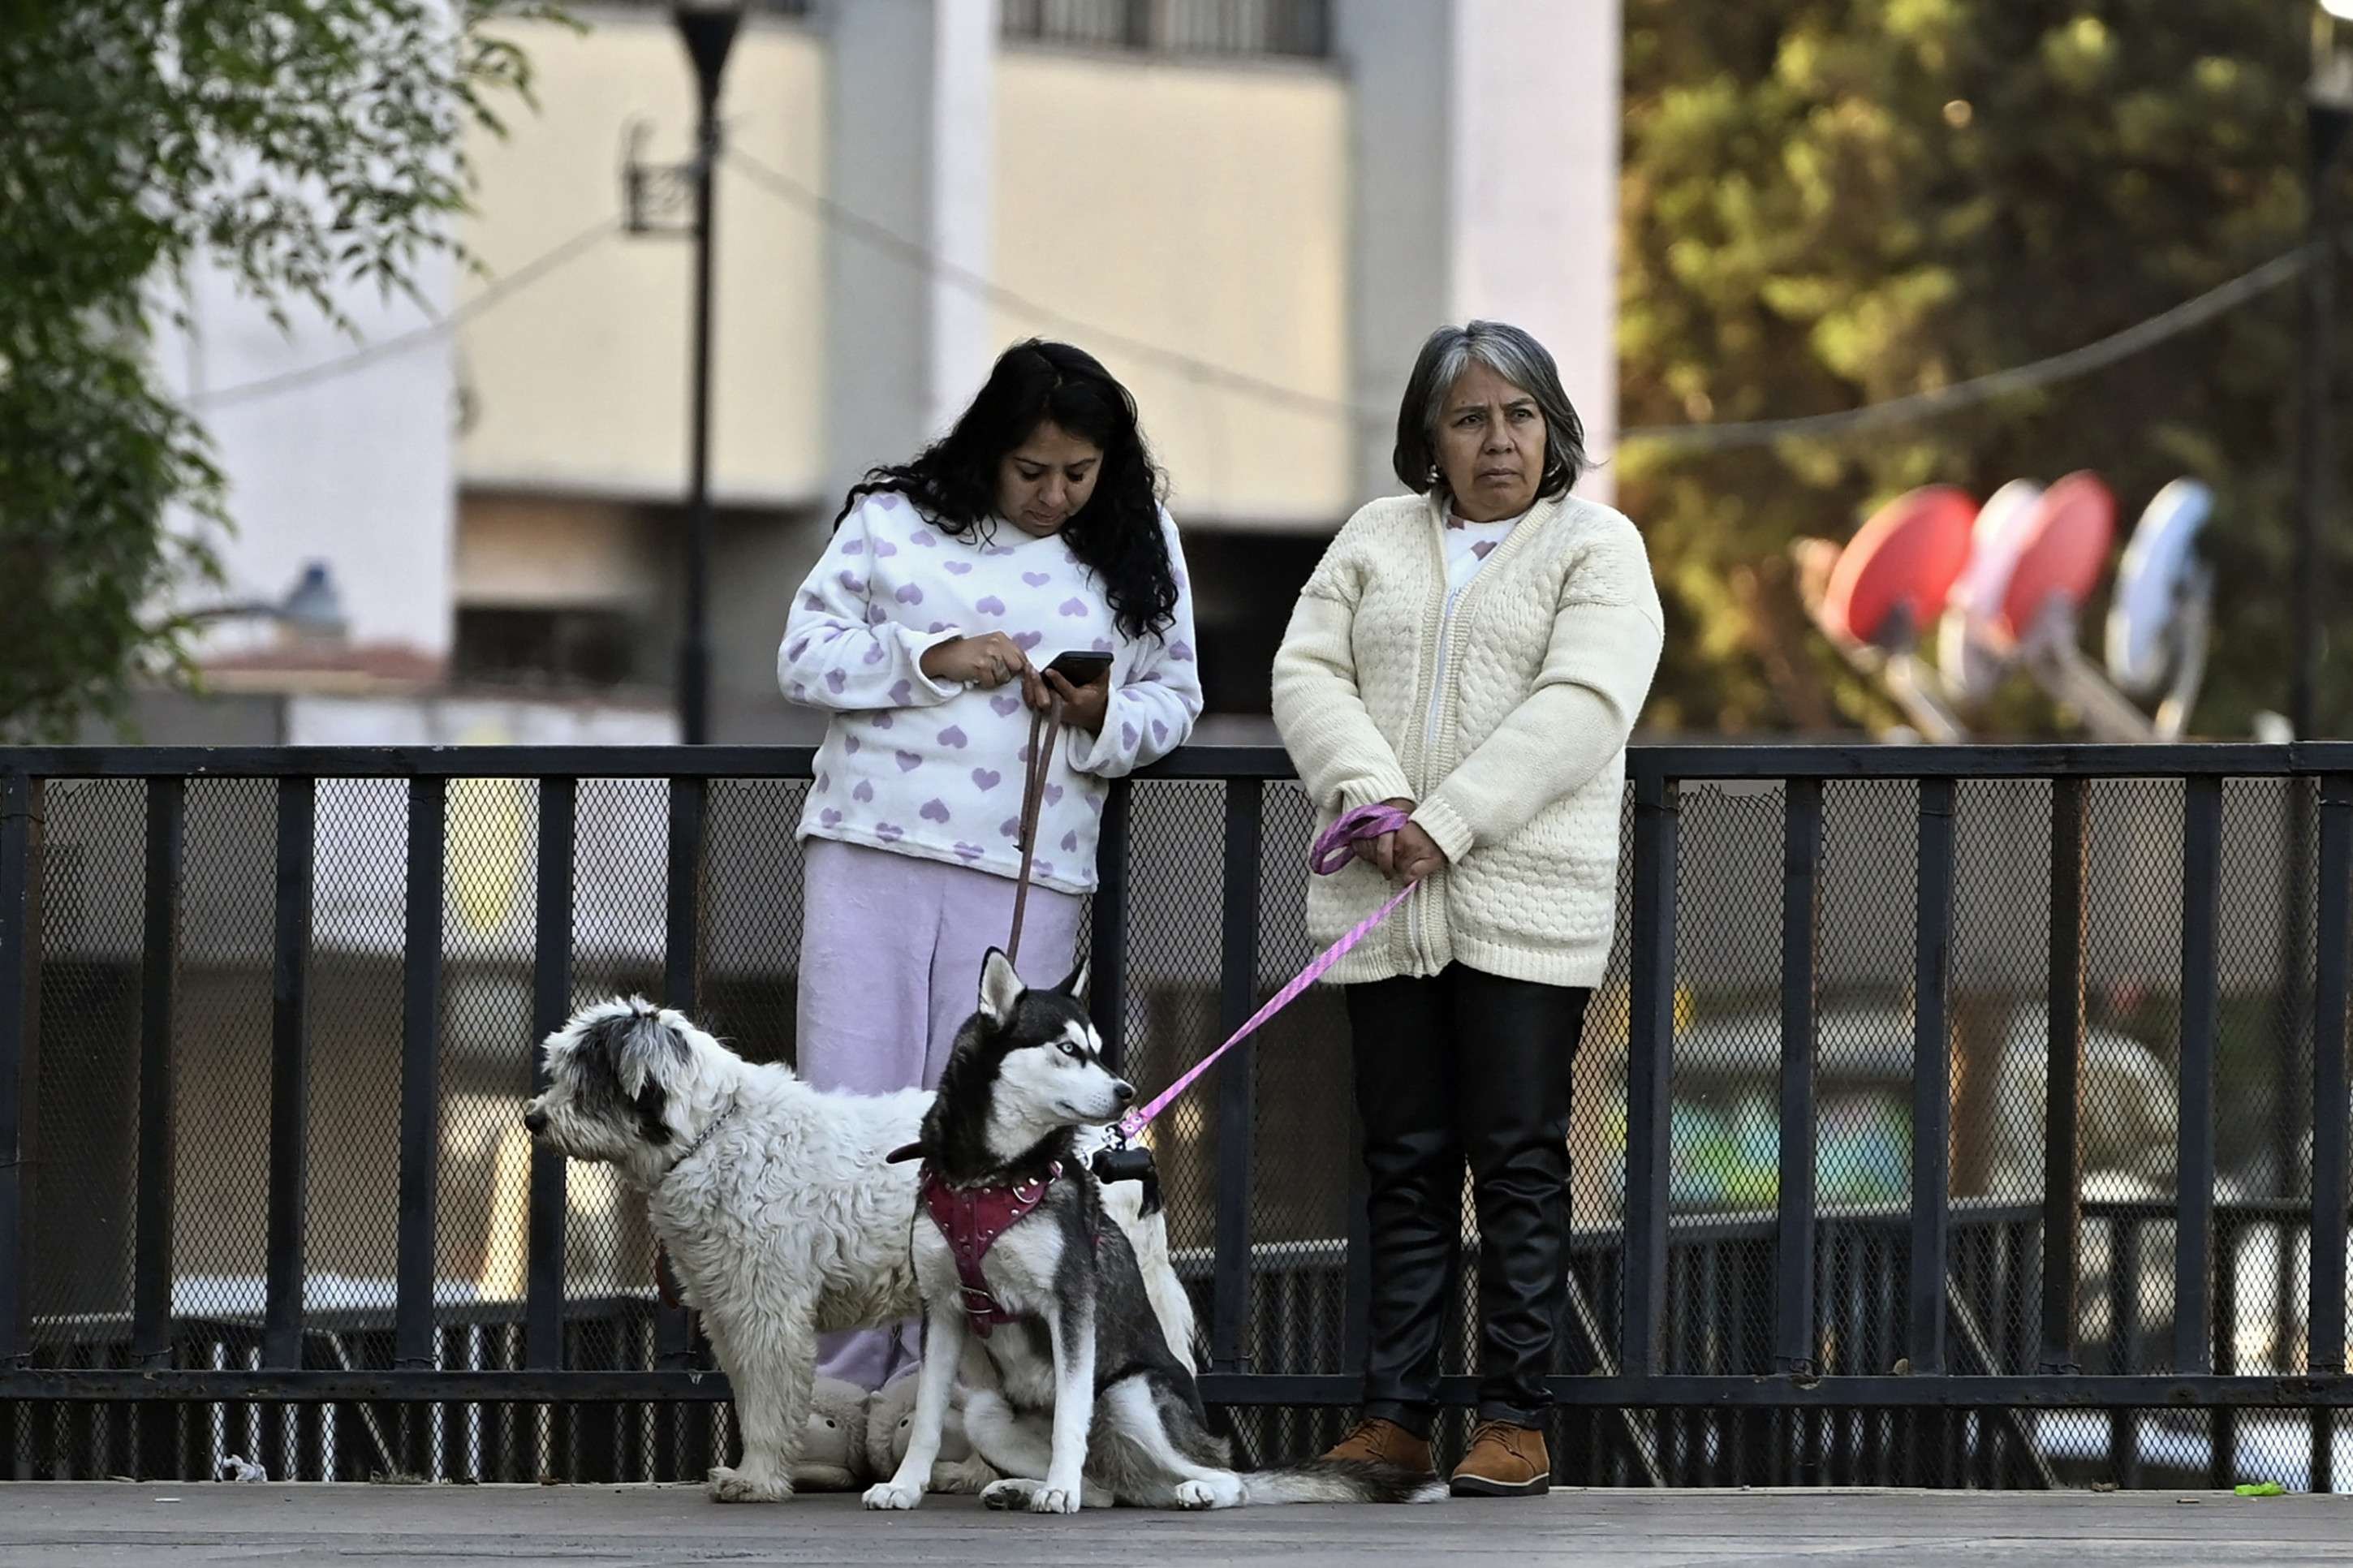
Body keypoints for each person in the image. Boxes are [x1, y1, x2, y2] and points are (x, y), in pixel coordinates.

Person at [1269, 320, 1663, 1497]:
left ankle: (1514, 1420)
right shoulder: (1373, 538)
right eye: (1471, 419)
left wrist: (1447, 821)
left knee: (1519, 1163)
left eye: (1521, 415)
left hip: (1525, 910)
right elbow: (1306, 671)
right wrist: (1373, 798)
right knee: (1403, 1165)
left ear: (1554, 430)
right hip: (1382, 904)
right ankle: (1393, 1420)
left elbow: (1585, 703)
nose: (1500, 441)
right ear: (1429, 441)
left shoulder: (1599, 546)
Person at [778, 338, 1203, 1399]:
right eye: (1031, 471)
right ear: (987, 453)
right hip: (869, 846)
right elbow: (803, 656)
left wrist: (1101, 712)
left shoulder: (1138, 541)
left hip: (1030, 863)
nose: (1055, 495)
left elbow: (1177, 697)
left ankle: (960, 1397)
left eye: (1079, 473)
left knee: (997, 1134)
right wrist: (933, 658)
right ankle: (838, 1388)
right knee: (849, 1116)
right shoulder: (894, 520)